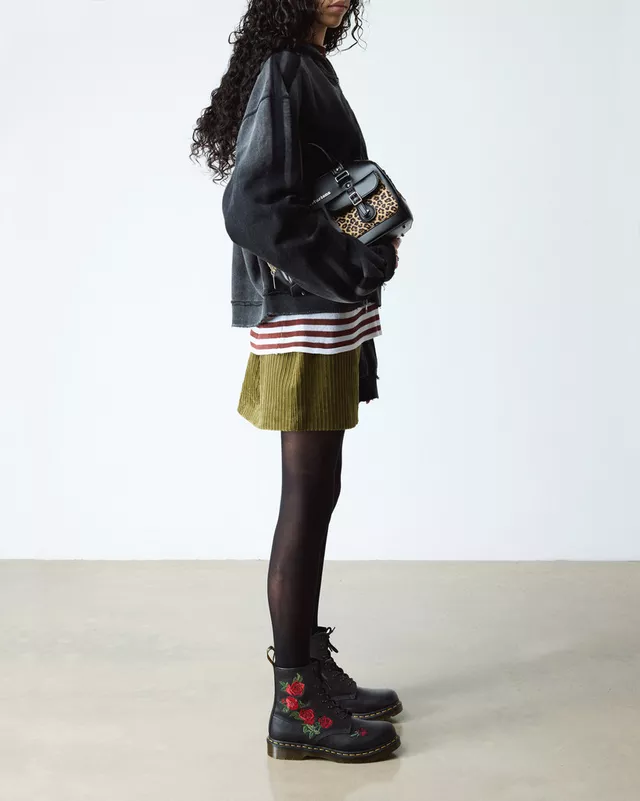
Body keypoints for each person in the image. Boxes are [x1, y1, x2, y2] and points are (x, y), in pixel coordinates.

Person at [191, 0, 403, 763]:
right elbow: (252, 206)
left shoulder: (307, 67)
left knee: (319, 491)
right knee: (306, 497)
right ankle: (296, 706)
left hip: (321, 316)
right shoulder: (287, 70)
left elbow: (327, 182)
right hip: (304, 318)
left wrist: (376, 229)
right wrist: (349, 263)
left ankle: (310, 667)